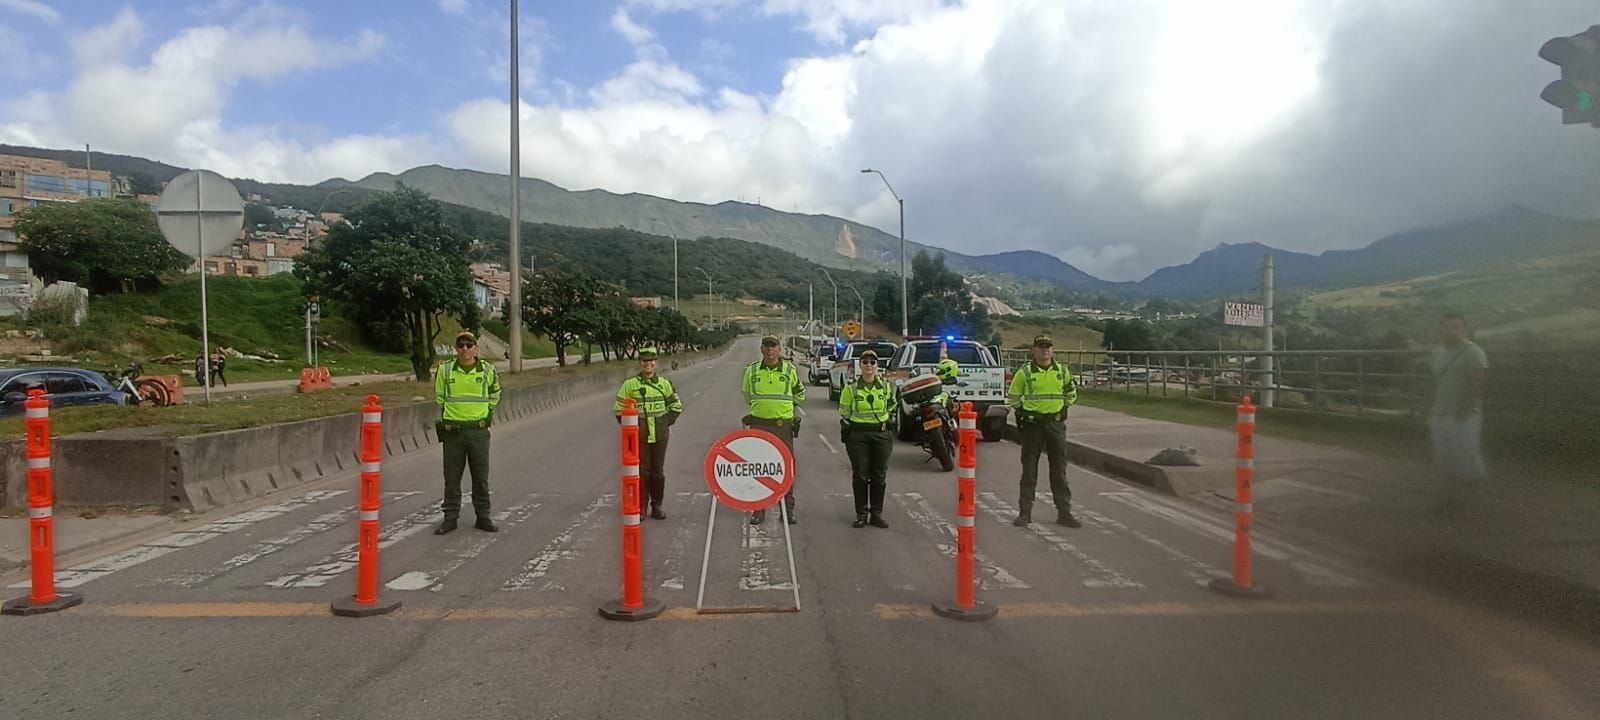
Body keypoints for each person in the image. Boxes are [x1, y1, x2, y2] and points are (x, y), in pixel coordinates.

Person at [1006, 334, 1080, 528]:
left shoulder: (1062, 371)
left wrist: (1064, 406)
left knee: (1059, 470)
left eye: (1048, 347)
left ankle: (1064, 513)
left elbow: (1071, 392)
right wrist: (1022, 412)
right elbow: (1013, 396)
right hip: (1033, 426)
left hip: (1055, 424)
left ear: (1052, 349)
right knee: (1029, 470)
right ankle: (1025, 513)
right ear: (1034, 350)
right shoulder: (1025, 372)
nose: (1044, 350)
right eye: (1040, 347)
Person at [433, 331, 502, 535]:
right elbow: (440, 397)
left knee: (480, 477)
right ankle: (450, 518)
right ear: (456, 349)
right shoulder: (446, 371)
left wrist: (485, 412)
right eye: (461, 345)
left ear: (476, 348)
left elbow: (495, 392)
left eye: (469, 345)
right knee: (452, 478)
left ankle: (483, 517)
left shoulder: (487, 370)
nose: (465, 349)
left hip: (478, 432)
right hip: (453, 432)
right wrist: (454, 415)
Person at [741, 334, 806, 525]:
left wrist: (785, 410)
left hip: (782, 426)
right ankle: (758, 510)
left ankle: (787, 510)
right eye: (766, 346)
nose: (770, 350)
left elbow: (800, 393)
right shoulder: (751, 372)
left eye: (773, 346)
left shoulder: (789, 370)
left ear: (780, 349)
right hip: (759, 424)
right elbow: (747, 394)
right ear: (761, 349)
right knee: (759, 468)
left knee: (785, 468)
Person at [615, 346, 683, 520]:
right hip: (640, 435)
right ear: (640, 363)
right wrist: (633, 426)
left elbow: (676, 406)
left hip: (660, 434)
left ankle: (657, 506)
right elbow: (619, 410)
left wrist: (665, 422)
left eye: (651, 361)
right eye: (645, 361)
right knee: (642, 471)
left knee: (657, 471)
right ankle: (641, 507)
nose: (648, 364)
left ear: (656, 363)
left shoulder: (664, 384)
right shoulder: (630, 385)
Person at [1429, 313, 1488, 491]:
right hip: (1441, 410)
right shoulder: (1437, 353)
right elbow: (1436, 381)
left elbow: (1478, 381)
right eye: (1446, 327)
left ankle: (1473, 495)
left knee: (1467, 452)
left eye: (1456, 327)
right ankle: (1452, 492)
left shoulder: (1474, 352)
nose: (1450, 331)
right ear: (1440, 329)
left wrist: (1467, 407)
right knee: (1444, 452)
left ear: (1464, 329)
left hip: (1464, 412)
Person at [839, 349, 895, 528]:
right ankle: (861, 513)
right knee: (861, 475)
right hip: (858, 436)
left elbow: (892, 404)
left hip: (881, 434)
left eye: (872, 362)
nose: (869, 365)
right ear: (860, 365)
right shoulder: (851, 389)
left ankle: (876, 513)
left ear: (877, 365)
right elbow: (844, 411)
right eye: (865, 362)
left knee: (879, 475)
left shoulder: (886, 387)